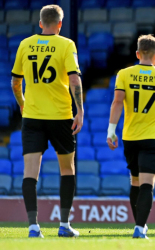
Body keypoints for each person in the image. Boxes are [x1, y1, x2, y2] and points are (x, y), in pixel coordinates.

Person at [11, 5, 83, 238]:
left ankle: (33, 227)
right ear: (60, 24)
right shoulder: (66, 44)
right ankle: (64, 225)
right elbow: (74, 79)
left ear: (40, 23)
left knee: (30, 173)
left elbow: (15, 82)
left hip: (32, 117)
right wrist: (80, 110)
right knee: (67, 169)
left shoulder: (25, 44)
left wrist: (22, 103)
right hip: (60, 117)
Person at [106, 34, 155, 239]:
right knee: (147, 183)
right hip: (152, 136)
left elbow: (117, 102)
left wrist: (111, 130)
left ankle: (139, 225)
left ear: (137, 53)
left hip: (130, 136)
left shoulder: (124, 74)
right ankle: (140, 227)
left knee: (135, 181)